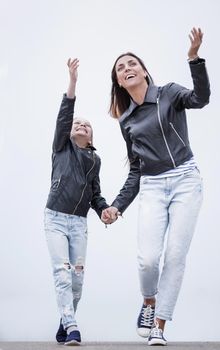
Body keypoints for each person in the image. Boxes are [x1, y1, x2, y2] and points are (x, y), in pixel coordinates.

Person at [102, 27, 210, 346]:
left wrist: (194, 59)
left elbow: (201, 99)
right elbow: (136, 169)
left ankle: (160, 326)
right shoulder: (127, 121)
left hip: (185, 180)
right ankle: (148, 303)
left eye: (132, 63)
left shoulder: (170, 93)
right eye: (121, 68)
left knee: (175, 255)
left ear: (144, 70)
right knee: (148, 259)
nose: (127, 68)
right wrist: (116, 206)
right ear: (119, 82)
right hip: (151, 185)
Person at [44, 58, 109, 346]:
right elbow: (64, 115)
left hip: (79, 223)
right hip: (56, 217)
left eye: (87, 124)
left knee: (78, 279)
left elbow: (95, 194)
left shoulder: (95, 160)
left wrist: (104, 209)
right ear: (70, 132)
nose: (81, 125)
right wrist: (72, 82)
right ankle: (71, 325)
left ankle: (64, 319)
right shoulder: (61, 148)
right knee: (62, 271)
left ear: (91, 135)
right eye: (77, 123)